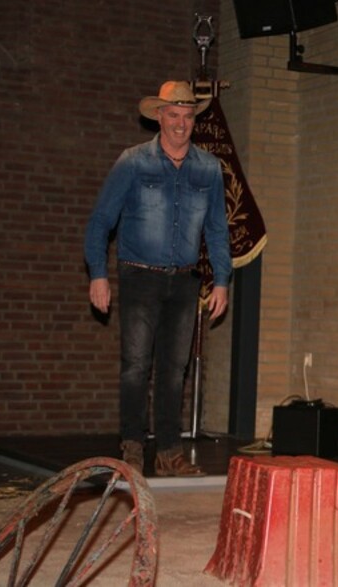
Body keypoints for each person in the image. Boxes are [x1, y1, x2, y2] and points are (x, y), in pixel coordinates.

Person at [85, 81, 231, 478]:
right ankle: (132, 447)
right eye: (174, 115)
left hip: (185, 282)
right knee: (136, 366)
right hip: (139, 277)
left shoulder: (208, 168)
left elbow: (217, 229)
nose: (181, 123)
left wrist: (221, 280)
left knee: (174, 369)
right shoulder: (133, 162)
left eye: (188, 116)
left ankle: (169, 453)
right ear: (159, 117)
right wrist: (98, 275)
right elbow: (100, 221)